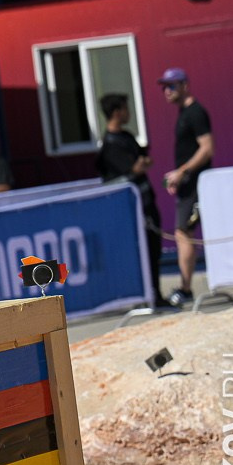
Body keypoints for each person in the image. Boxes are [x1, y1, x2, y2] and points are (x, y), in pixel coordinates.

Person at [94, 93, 165, 309]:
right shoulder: (109, 145)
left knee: (154, 249)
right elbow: (133, 168)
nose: (129, 113)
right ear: (117, 112)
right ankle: (142, 296)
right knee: (138, 252)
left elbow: (143, 160)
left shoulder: (126, 136)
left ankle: (156, 293)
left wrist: (141, 163)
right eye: (126, 108)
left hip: (147, 203)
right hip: (132, 211)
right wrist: (138, 166)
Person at [158, 68, 214, 307]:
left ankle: (186, 287)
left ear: (184, 85)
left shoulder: (195, 113)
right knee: (184, 234)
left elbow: (207, 148)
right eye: (164, 87)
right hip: (188, 184)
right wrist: (178, 176)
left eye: (171, 86)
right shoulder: (184, 113)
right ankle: (186, 286)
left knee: (183, 233)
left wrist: (182, 172)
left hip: (196, 185)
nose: (166, 91)